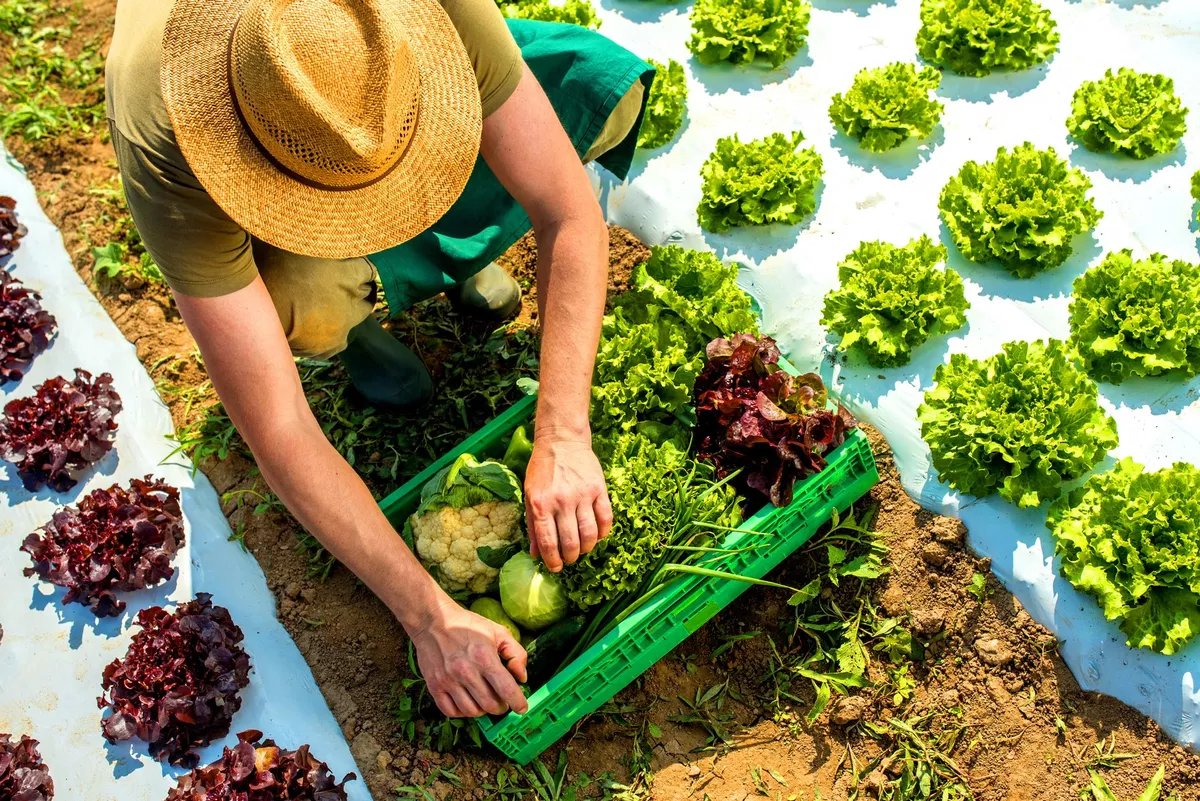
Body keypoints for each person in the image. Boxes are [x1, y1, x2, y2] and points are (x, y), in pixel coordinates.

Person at [104, 0, 655, 719]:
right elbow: (278, 426)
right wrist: (429, 615)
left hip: (367, 94)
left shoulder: (434, 14)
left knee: (595, 84)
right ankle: (355, 325)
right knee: (302, 298)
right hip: (238, 130)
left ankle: (446, 252)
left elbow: (569, 212)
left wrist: (563, 432)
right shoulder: (165, 132)